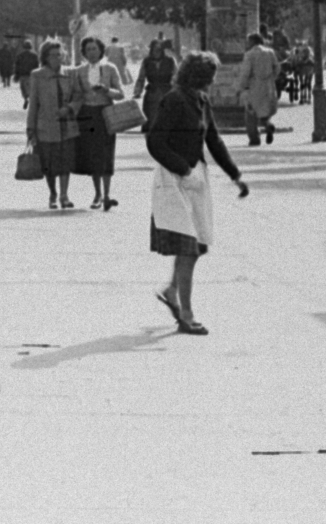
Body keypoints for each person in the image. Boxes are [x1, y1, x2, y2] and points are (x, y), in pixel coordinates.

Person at [146, 51, 247, 336]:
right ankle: (186, 314)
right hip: (173, 179)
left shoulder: (201, 101)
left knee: (196, 244)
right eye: (211, 75)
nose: (214, 80)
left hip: (195, 179)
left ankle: (172, 289)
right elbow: (155, 141)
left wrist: (235, 174)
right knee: (187, 246)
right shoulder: (174, 100)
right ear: (201, 76)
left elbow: (213, 140)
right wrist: (181, 167)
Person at [70, 37, 126, 211]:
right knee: (92, 153)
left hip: (105, 114)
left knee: (106, 152)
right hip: (87, 114)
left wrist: (106, 90)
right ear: (84, 53)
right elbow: (76, 95)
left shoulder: (110, 68)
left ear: (101, 50)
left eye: (94, 49)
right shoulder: (79, 71)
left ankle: (108, 194)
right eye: (88, 50)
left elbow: (121, 94)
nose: (91, 53)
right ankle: (97, 194)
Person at [26, 41, 83, 210]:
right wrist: (30, 128)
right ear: (45, 57)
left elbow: (78, 96)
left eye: (59, 54)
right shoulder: (37, 75)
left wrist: (70, 108)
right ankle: (53, 193)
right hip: (46, 125)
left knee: (65, 161)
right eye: (53, 55)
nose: (57, 58)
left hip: (67, 125)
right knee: (49, 164)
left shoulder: (71, 74)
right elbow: (33, 103)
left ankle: (64, 195)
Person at [237, 32, 281, 146]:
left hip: (254, 87)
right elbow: (277, 67)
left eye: (248, 41)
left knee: (251, 113)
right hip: (268, 86)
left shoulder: (249, 55)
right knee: (265, 111)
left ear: (252, 42)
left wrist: (241, 87)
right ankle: (268, 125)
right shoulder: (270, 52)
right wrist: (271, 79)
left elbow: (245, 73)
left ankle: (254, 138)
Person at [135, 38, 176, 131]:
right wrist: (138, 91)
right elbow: (141, 78)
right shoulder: (146, 62)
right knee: (152, 120)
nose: (156, 52)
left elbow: (176, 77)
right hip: (152, 93)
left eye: (159, 50)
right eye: (154, 50)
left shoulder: (170, 61)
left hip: (167, 92)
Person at [13, 40, 40, 108]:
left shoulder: (20, 56)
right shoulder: (34, 56)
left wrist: (16, 75)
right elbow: (37, 66)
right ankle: (31, 101)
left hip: (22, 75)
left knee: (23, 88)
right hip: (31, 75)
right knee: (31, 89)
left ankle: (25, 99)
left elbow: (17, 66)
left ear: (24, 47)